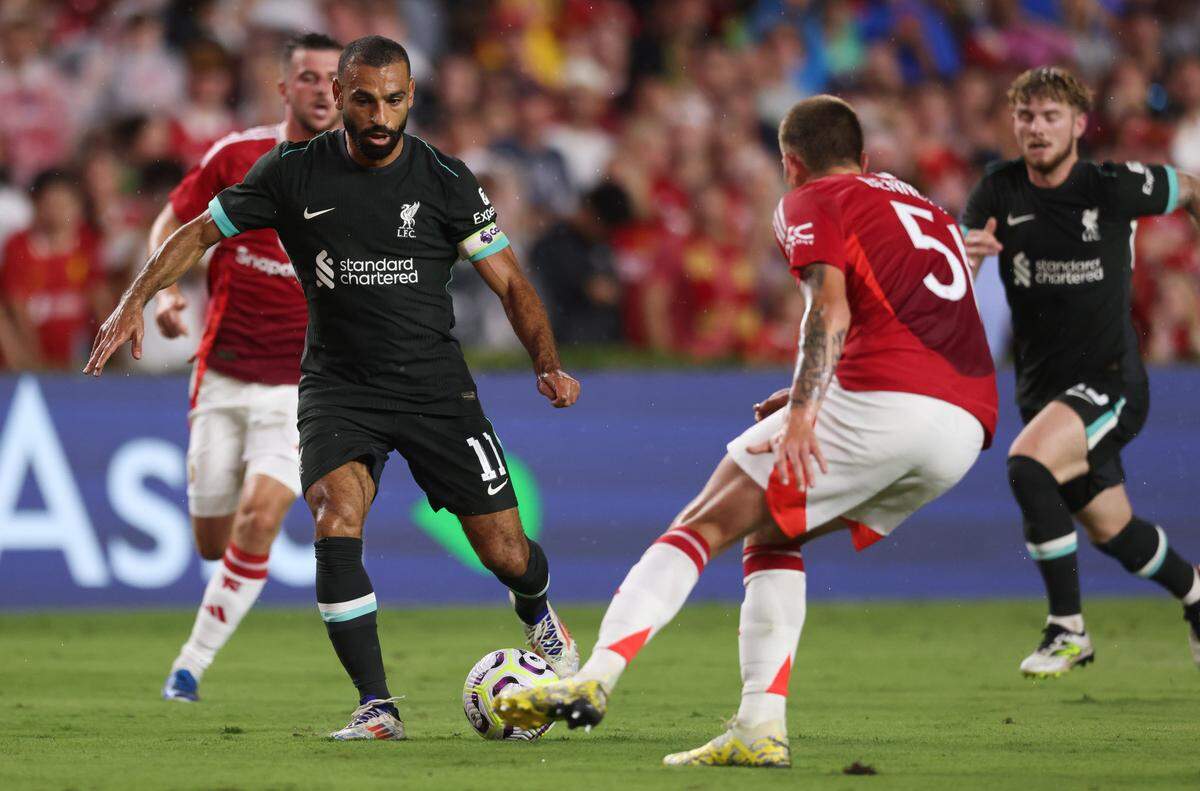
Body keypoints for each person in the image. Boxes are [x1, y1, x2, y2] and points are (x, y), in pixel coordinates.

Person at [84, 35, 580, 741]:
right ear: (341, 97)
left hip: (436, 388)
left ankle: (536, 610)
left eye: (395, 100)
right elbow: (196, 233)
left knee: (506, 553)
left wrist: (545, 362)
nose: (380, 116)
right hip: (339, 387)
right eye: (365, 100)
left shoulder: (445, 179)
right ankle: (376, 706)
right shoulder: (291, 172)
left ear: (411, 98)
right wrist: (136, 297)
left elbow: (511, 282)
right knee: (334, 517)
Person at [496, 95, 997, 768]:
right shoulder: (924, 207)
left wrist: (806, 411)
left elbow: (829, 307)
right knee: (774, 533)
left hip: (885, 399)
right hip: (964, 424)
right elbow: (917, 307)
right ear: (864, 156)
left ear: (791, 164)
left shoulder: (811, 199)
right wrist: (817, 389)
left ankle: (595, 677)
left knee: (701, 522)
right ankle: (760, 726)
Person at [961, 66, 1200, 678]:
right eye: (1026, 116)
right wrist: (964, 259)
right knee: (1115, 533)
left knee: (1027, 465)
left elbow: (1191, 189)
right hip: (1042, 391)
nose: (1037, 128)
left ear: (1078, 124)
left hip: (1111, 380)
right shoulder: (997, 190)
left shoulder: (1112, 186)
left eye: (1051, 116)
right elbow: (958, 279)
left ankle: (1068, 630)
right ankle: (1197, 595)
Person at [150, 32, 343, 703]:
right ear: (284, 87)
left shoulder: (364, 176)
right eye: (309, 78)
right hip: (223, 374)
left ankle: (189, 665)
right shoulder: (235, 157)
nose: (323, 91)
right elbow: (171, 222)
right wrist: (165, 291)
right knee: (211, 540)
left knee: (260, 519)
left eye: (334, 79)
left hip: (299, 389)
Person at [0, 169, 110, 370]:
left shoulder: (88, 243)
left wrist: (107, 355)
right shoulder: (19, 246)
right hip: (29, 363)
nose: (58, 211)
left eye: (65, 204)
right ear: (37, 205)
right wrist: (34, 364)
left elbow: (99, 298)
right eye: (51, 203)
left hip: (77, 362)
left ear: (78, 207)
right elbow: (15, 308)